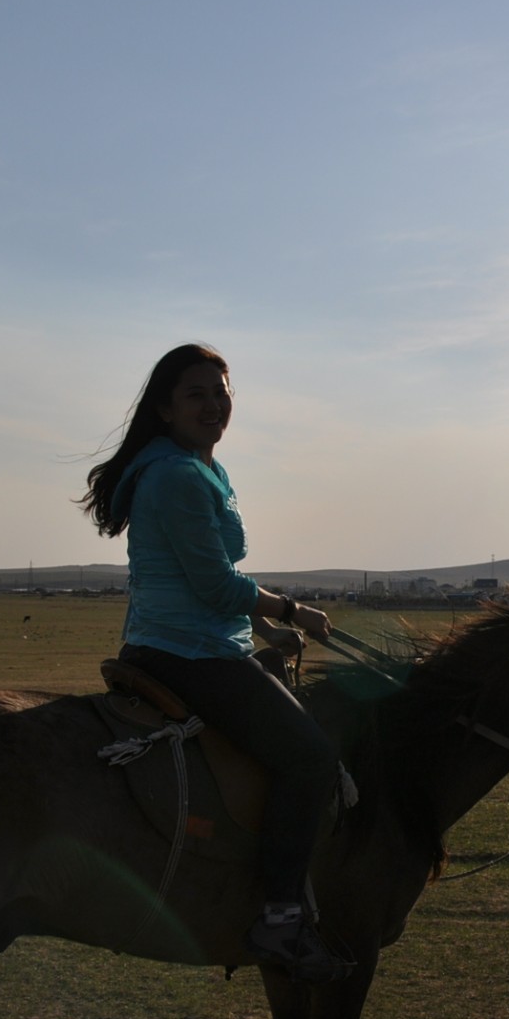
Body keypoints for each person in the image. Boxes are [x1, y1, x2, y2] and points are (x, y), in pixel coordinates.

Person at [80, 342, 351, 982]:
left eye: (221, 392)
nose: (213, 404)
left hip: (197, 642)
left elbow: (218, 576)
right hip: (187, 652)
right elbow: (213, 588)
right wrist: (291, 612)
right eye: (196, 393)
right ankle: (281, 919)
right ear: (166, 408)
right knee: (311, 758)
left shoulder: (199, 468)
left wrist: (259, 629)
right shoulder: (176, 476)